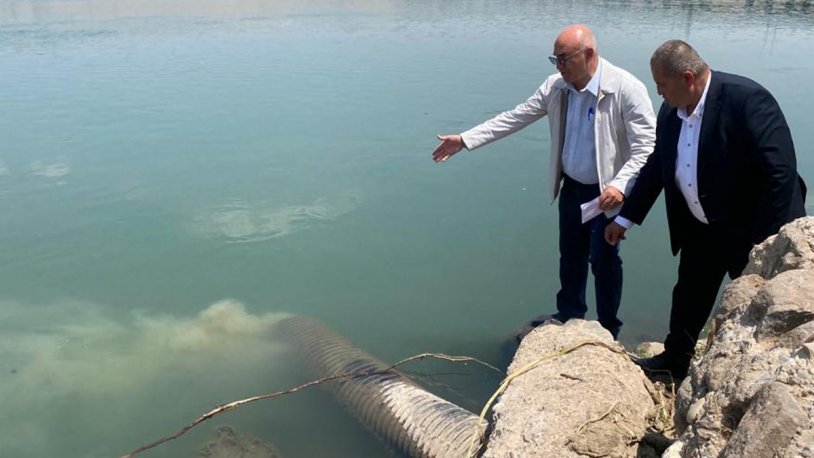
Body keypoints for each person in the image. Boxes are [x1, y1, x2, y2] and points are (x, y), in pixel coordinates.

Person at [432, 24, 656, 339]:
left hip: (608, 192)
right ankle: (569, 313)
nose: (559, 66)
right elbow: (515, 116)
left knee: (604, 261)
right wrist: (465, 140)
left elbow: (647, 147)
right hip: (573, 188)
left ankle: (609, 329)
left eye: (564, 59)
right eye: (555, 60)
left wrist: (620, 185)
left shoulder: (625, 89)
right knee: (570, 254)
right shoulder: (556, 87)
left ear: (588, 54)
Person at [605, 39, 807, 379]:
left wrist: (767, 245)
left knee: (754, 302)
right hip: (701, 227)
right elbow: (658, 166)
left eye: (662, 85)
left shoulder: (747, 100)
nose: (658, 93)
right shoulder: (671, 112)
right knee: (689, 295)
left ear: (687, 78)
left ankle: (754, 371)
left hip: (751, 230)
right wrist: (625, 218)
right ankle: (675, 360)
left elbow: (780, 173)